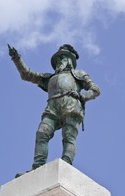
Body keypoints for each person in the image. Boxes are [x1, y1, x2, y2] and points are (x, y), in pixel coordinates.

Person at [8, 44, 100, 174]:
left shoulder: (79, 74)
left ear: (69, 61)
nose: (58, 61)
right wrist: (16, 58)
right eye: (57, 59)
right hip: (52, 108)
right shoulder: (49, 78)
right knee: (42, 133)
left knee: (68, 137)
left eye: (62, 58)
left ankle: (66, 164)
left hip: (71, 105)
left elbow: (95, 90)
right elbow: (27, 74)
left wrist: (83, 96)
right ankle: (37, 168)